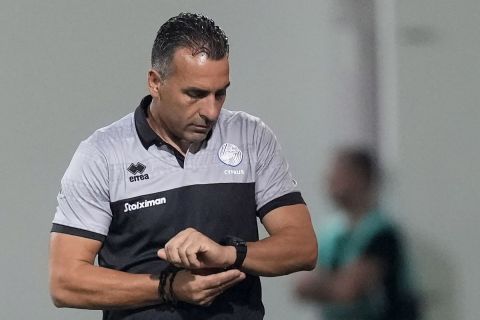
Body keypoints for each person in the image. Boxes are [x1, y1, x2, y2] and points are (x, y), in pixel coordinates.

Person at [49, 12, 317, 320]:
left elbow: (303, 247)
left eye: (221, 93)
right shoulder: (102, 155)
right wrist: (169, 287)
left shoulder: (251, 137)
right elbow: (65, 282)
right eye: (196, 94)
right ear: (155, 82)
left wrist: (229, 253)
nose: (212, 111)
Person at [295, 147, 418, 320]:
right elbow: (301, 287)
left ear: (361, 178)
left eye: (339, 173)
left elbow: (348, 290)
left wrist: (325, 285)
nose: (329, 179)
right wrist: (335, 285)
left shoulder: (382, 233)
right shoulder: (330, 233)